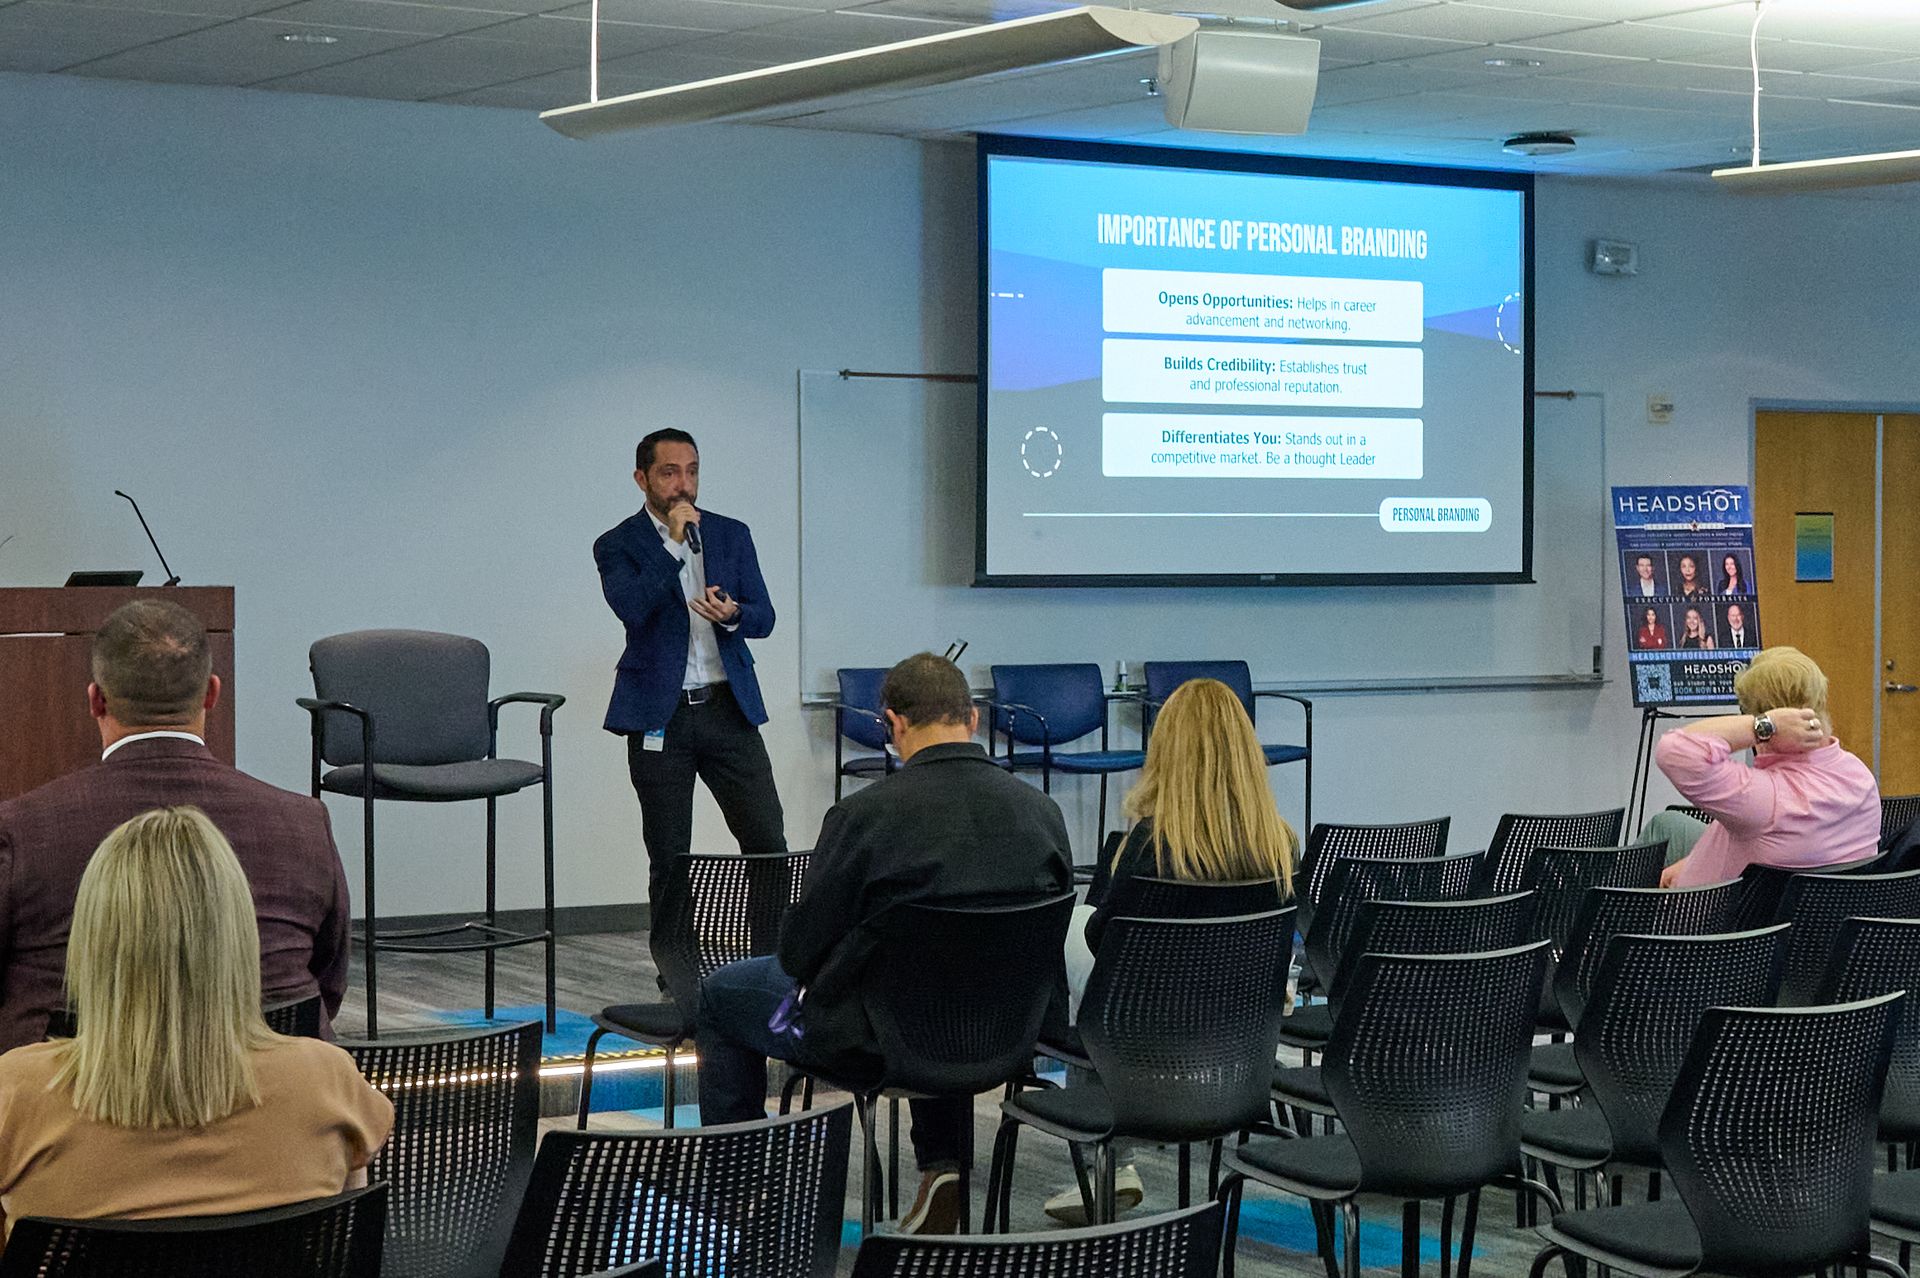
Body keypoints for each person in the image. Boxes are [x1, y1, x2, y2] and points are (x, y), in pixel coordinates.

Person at [694, 653, 1071, 1235]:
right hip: (1003, 1034)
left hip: (866, 1041)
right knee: (947, 975)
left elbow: (799, 955)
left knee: (720, 994)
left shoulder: (864, 816)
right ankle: (941, 1168)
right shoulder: (1042, 814)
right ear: (971, 719)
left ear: (892, 725)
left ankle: (737, 1194)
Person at [0, 806, 392, 1234]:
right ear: (239, 936)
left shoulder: (19, 1092)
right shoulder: (325, 1080)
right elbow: (342, 1244)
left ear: (91, 942)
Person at [0, 601, 351, 1051]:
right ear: (211, 694)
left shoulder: (22, 830)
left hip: (64, 1106)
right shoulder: (303, 824)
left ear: (96, 700)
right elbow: (327, 985)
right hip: (269, 1103)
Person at [1051, 677, 1297, 1224]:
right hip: (1234, 1032)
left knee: (1070, 926)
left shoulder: (1150, 843)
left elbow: (1103, 943)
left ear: (1168, 753)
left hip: (1140, 1027)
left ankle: (1111, 1162)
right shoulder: (1280, 845)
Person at [594, 428, 786, 911]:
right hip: (662, 716)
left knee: (767, 840)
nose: (684, 485)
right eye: (670, 472)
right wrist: (674, 547)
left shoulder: (731, 533)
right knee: (669, 853)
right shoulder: (617, 544)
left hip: (729, 709)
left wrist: (735, 614)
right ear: (642, 478)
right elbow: (632, 608)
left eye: (692, 471)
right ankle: (674, 969)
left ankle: (771, 959)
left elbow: (765, 616)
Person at [1646, 647, 1879, 886]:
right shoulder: (1860, 775)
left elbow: (1674, 750)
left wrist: (1763, 727)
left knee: (1661, 828)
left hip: (1714, 916)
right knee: (1669, 822)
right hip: (1813, 913)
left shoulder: (1766, 799)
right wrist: (1696, 862)